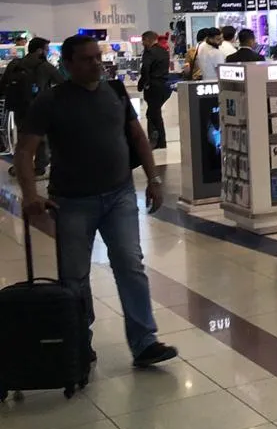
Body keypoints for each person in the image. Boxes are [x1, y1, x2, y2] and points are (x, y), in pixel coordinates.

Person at [15, 35, 178, 369]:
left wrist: (153, 179)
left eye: (97, 57)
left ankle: (144, 341)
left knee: (130, 266)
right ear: (68, 64)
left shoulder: (115, 91)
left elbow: (137, 137)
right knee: (74, 276)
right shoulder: (51, 101)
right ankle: (78, 341)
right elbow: (24, 150)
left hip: (119, 195)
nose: (96, 64)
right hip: (72, 201)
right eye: (87, 59)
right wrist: (30, 195)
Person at [2, 37, 61, 174]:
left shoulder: (15, 64)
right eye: (46, 50)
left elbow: (3, 83)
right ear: (40, 51)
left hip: (19, 107)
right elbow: (62, 82)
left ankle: (19, 167)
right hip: (38, 108)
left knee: (22, 138)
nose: (47, 52)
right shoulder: (45, 66)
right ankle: (39, 168)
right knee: (40, 139)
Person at [137, 31, 171, 149]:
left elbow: (145, 68)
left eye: (143, 40)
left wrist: (143, 84)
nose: (142, 43)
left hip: (153, 86)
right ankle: (160, 141)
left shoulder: (149, 52)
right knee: (154, 112)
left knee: (153, 114)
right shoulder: (164, 51)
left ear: (148, 39)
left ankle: (156, 140)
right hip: (163, 86)